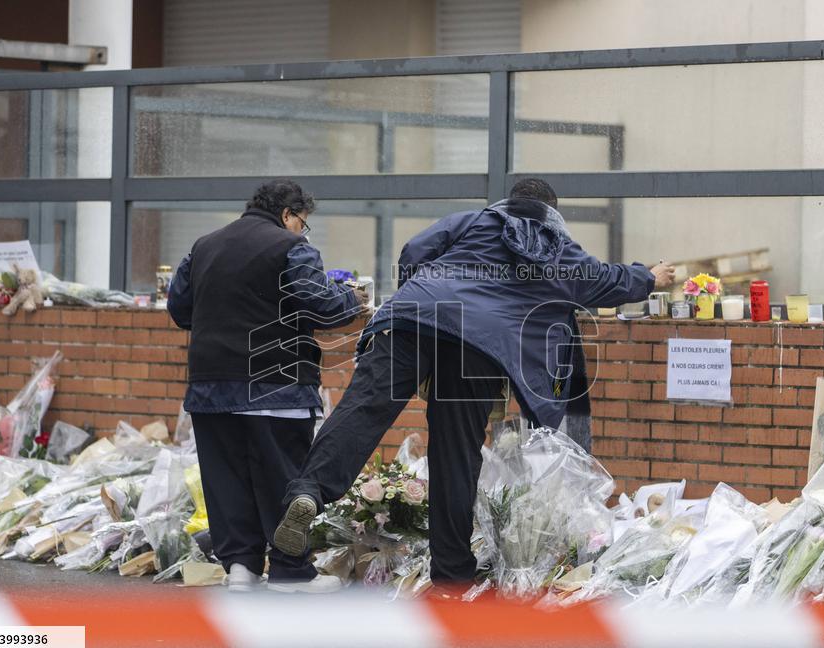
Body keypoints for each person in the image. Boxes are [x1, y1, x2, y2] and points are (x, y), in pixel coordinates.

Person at [274, 177, 676, 588]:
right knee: (456, 454)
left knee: (363, 411)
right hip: (479, 344)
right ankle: (451, 576)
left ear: (509, 202)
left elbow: (414, 251)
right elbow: (602, 280)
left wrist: (431, 288)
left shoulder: (472, 221)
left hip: (414, 315)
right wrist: (647, 276)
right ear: (553, 212)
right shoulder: (555, 244)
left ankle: (308, 490)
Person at [168, 179, 367, 594]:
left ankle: (240, 567)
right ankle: (289, 572)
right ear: (288, 214)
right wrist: (353, 298)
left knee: (226, 479)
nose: (301, 231)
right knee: (282, 478)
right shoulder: (290, 248)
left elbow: (179, 308)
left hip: (210, 387)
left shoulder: (203, 246)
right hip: (277, 385)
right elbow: (323, 305)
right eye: (303, 222)